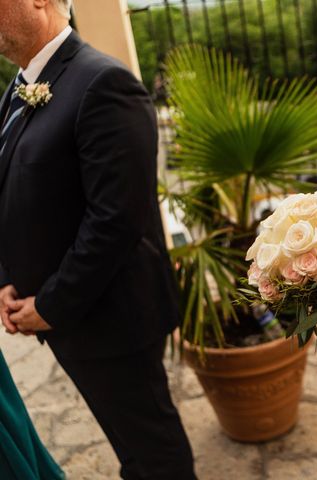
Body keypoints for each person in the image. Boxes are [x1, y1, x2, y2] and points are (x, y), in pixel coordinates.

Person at [0, 1, 196, 478]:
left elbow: (116, 222)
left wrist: (49, 306)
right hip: (65, 321)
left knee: (153, 453)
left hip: (111, 318)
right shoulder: (17, 88)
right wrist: (5, 278)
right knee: (128, 444)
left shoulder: (104, 82)